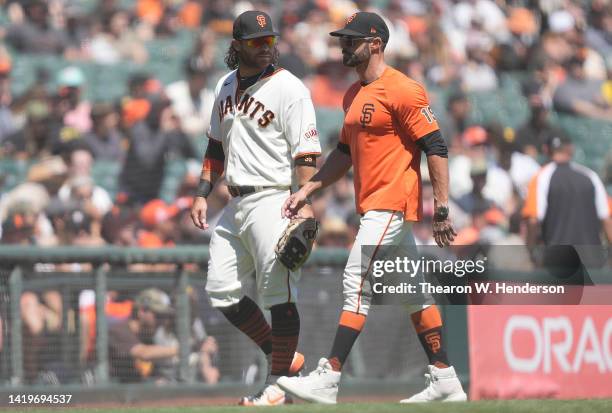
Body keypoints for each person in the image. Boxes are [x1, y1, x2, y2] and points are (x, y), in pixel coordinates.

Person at [276, 12, 467, 404]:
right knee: (414, 293)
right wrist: (308, 188)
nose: (344, 45)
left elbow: (436, 146)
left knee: (354, 281)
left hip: (391, 205)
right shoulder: (353, 93)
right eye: (343, 39)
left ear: (376, 43)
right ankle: (445, 378)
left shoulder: (403, 89)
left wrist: (442, 208)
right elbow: (344, 153)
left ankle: (329, 376)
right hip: (374, 208)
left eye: (352, 39)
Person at [189, 10, 321, 406]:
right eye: (256, 42)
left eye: (269, 40)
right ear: (237, 46)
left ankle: (278, 384)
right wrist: (201, 191)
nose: (266, 47)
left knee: (277, 294)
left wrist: (304, 202)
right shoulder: (224, 85)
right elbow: (215, 145)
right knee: (221, 290)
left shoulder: (289, 88)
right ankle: (285, 359)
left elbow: (307, 154)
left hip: (275, 197)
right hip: (235, 201)